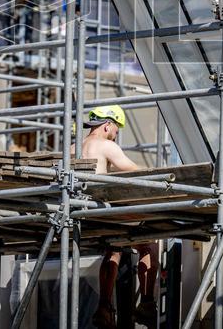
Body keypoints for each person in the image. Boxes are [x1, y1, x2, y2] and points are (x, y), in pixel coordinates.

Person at [81, 105, 158, 329]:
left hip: (82, 215)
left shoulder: (73, 147)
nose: (116, 135)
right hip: (102, 212)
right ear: (107, 125)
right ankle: (146, 303)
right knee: (150, 243)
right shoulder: (106, 145)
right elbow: (135, 172)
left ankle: (104, 306)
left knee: (114, 248)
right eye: (116, 129)